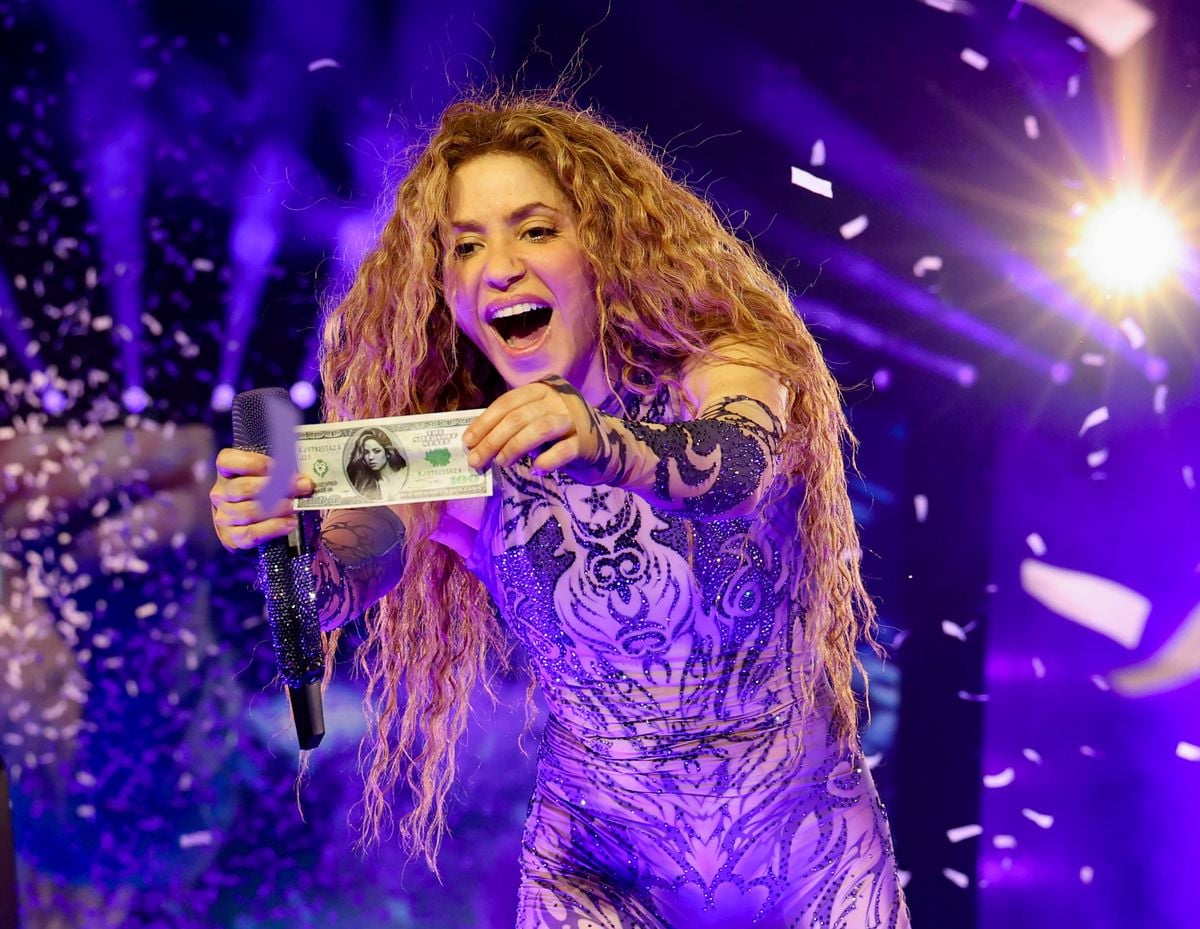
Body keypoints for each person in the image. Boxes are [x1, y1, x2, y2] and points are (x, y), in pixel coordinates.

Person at [210, 92, 911, 928]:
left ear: (604, 247)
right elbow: (359, 564)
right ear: (446, 288)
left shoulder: (727, 362)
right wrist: (288, 544)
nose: (498, 266)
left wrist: (604, 444)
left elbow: (739, 465)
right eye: (466, 245)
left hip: (807, 862)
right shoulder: (457, 450)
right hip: (596, 868)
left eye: (535, 229)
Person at [345, 427, 407, 500]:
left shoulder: (404, 474)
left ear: (388, 453)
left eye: (377, 451)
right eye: (366, 453)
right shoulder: (367, 484)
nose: (370, 457)